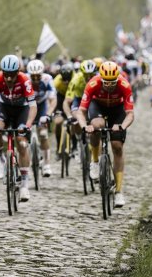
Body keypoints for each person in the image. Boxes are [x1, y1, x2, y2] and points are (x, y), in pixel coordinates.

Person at [77, 61, 134, 208]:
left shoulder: (125, 85)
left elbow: (130, 114)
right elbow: (81, 111)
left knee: (117, 147)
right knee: (97, 125)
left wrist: (122, 126)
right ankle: (95, 162)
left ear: (118, 78)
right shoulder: (92, 84)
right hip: (99, 107)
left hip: (117, 110)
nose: (109, 86)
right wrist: (85, 126)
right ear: (100, 78)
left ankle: (119, 192)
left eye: (112, 82)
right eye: (106, 82)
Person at [0, 54, 37, 201]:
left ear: (18, 72)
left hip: (22, 110)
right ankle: (1, 159)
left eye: (12, 75)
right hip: (4, 108)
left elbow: (33, 106)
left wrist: (28, 125)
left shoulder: (25, 80)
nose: (8, 79)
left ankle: (25, 184)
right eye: (6, 75)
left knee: (21, 141)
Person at [26, 59, 57, 177]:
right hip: (28, 105)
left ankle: (47, 164)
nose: (35, 79)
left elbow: (53, 99)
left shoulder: (47, 79)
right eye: (32, 76)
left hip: (42, 105)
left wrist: (48, 115)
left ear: (42, 73)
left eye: (37, 76)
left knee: (43, 133)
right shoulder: (25, 79)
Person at [53, 63, 74, 154]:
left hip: (72, 98)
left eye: (68, 79)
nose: (66, 82)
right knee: (58, 122)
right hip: (61, 98)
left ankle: (75, 145)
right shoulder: (56, 81)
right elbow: (52, 97)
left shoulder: (75, 79)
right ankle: (58, 146)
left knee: (74, 122)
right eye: (64, 79)